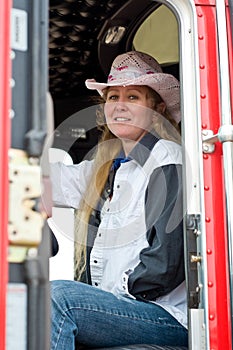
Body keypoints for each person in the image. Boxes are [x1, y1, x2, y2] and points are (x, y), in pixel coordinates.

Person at [49, 51, 188, 349]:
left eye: (133, 97)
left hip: (164, 315)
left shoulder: (167, 160)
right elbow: (45, 180)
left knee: (57, 299)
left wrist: (113, 295)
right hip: (122, 309)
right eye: (113, 97)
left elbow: (164, 264)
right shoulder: (106, 169)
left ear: (157, 109)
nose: (120, 106)